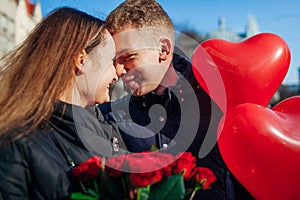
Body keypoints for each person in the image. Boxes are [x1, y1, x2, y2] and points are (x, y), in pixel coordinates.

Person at [99, 0, 254, 199]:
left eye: (128, 57)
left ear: (163, 50)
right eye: (114, 61)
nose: (118, 70)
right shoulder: (111, 119)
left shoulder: (218, 101)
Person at [0, 7, 127, 200]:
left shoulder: (108, 131)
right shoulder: (16, 144)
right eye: (111, 60)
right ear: (82, 60)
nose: (118, 72)